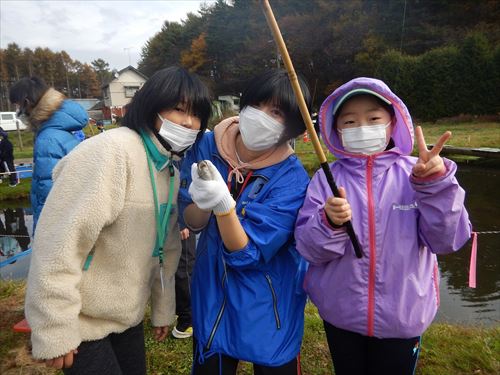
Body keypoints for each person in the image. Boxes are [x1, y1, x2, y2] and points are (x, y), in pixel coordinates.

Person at [24, 66, 212, 373]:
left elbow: (166, 248)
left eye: (196, 115)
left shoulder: (169, 169)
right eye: (178, 110)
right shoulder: (110, 151)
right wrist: (54, 326)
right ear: (151, 105)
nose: (188, 123)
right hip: (82, 320)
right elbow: (59, 242)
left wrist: (163, 310)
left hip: (126, 316)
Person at [294, 77, 471, 375]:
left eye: (373, 118)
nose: (362, 127)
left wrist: (436, 185)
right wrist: (329, 222)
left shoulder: (415, 173)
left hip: (403, 318)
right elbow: (309, 249)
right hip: (341, 316)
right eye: (349, 121)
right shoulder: (326, 179)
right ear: (336, 131)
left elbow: (447, 241)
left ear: (393, 122)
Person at [179, 69, 312, 374]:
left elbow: (246, 253)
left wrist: (224, 206)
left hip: (268, 306)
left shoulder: (292, 179)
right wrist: (201, 203)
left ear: (292, 126)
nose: (261, 117)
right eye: (257, 105)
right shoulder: (206, 146)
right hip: (212, 296)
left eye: (276, 112)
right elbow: (191, 221)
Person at [9, 77, 87, 230]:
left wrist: (45, 232)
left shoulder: (48, 139)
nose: (17, 110)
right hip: (72, 215)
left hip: (56, 227)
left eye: (17, 105)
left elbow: (48, 192)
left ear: (27, 103)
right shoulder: (61, 129)